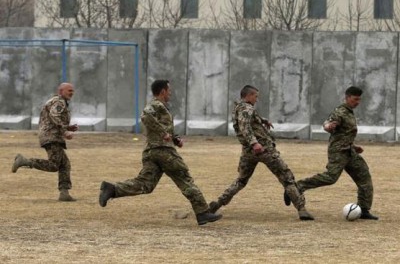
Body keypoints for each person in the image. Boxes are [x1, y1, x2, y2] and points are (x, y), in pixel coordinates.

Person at [99, 79, 222, 226]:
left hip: (152, 152)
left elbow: (163, 129)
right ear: (163, 91)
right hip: (163, 151)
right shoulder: (156, 105)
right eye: (169, 90)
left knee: (145, 184)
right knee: (184, 178)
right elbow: (146, 116)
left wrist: (175, 139)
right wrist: (163, 133)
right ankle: (202, 212)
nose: (170, 93)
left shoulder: (161, 107)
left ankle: (112, 189)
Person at [209, 85, 314, 221]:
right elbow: (245, 126)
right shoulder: (246, 108)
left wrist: (262, 120)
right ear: (248, 96)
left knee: (241, 181)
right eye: (255, 96)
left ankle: (218, 203)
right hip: (263, 149)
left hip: (248, 152)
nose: (256, 99)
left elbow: (247, 121)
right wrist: (255, 143)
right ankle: (302, 209)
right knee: (286, 177)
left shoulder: (240, 107)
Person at [284, 86, 378, 220]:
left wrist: (354, 146)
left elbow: (345, 133)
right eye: (355, 99)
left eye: (359, 100)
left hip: (349, 151)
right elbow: (327, 124)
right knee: (330, 177)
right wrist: (328, 127)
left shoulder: (350, 112)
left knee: (364, 178)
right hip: (338, 152)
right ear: (347, 97)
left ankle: (363, 209)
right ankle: (296, 187)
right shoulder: (339, 112)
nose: (357, 102)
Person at [12, 82, 79, 202]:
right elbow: (54, 116)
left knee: (65, 164)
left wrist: (68, 127)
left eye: (72, 90)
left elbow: (51, 119)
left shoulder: (56, 101)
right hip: (51, 136)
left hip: (50, 135)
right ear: (61, 91)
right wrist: (64, 131)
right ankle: (25, 161)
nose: (71, 93)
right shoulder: (59, 102)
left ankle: (64, 193)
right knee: (54, 165)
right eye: (69, 90)